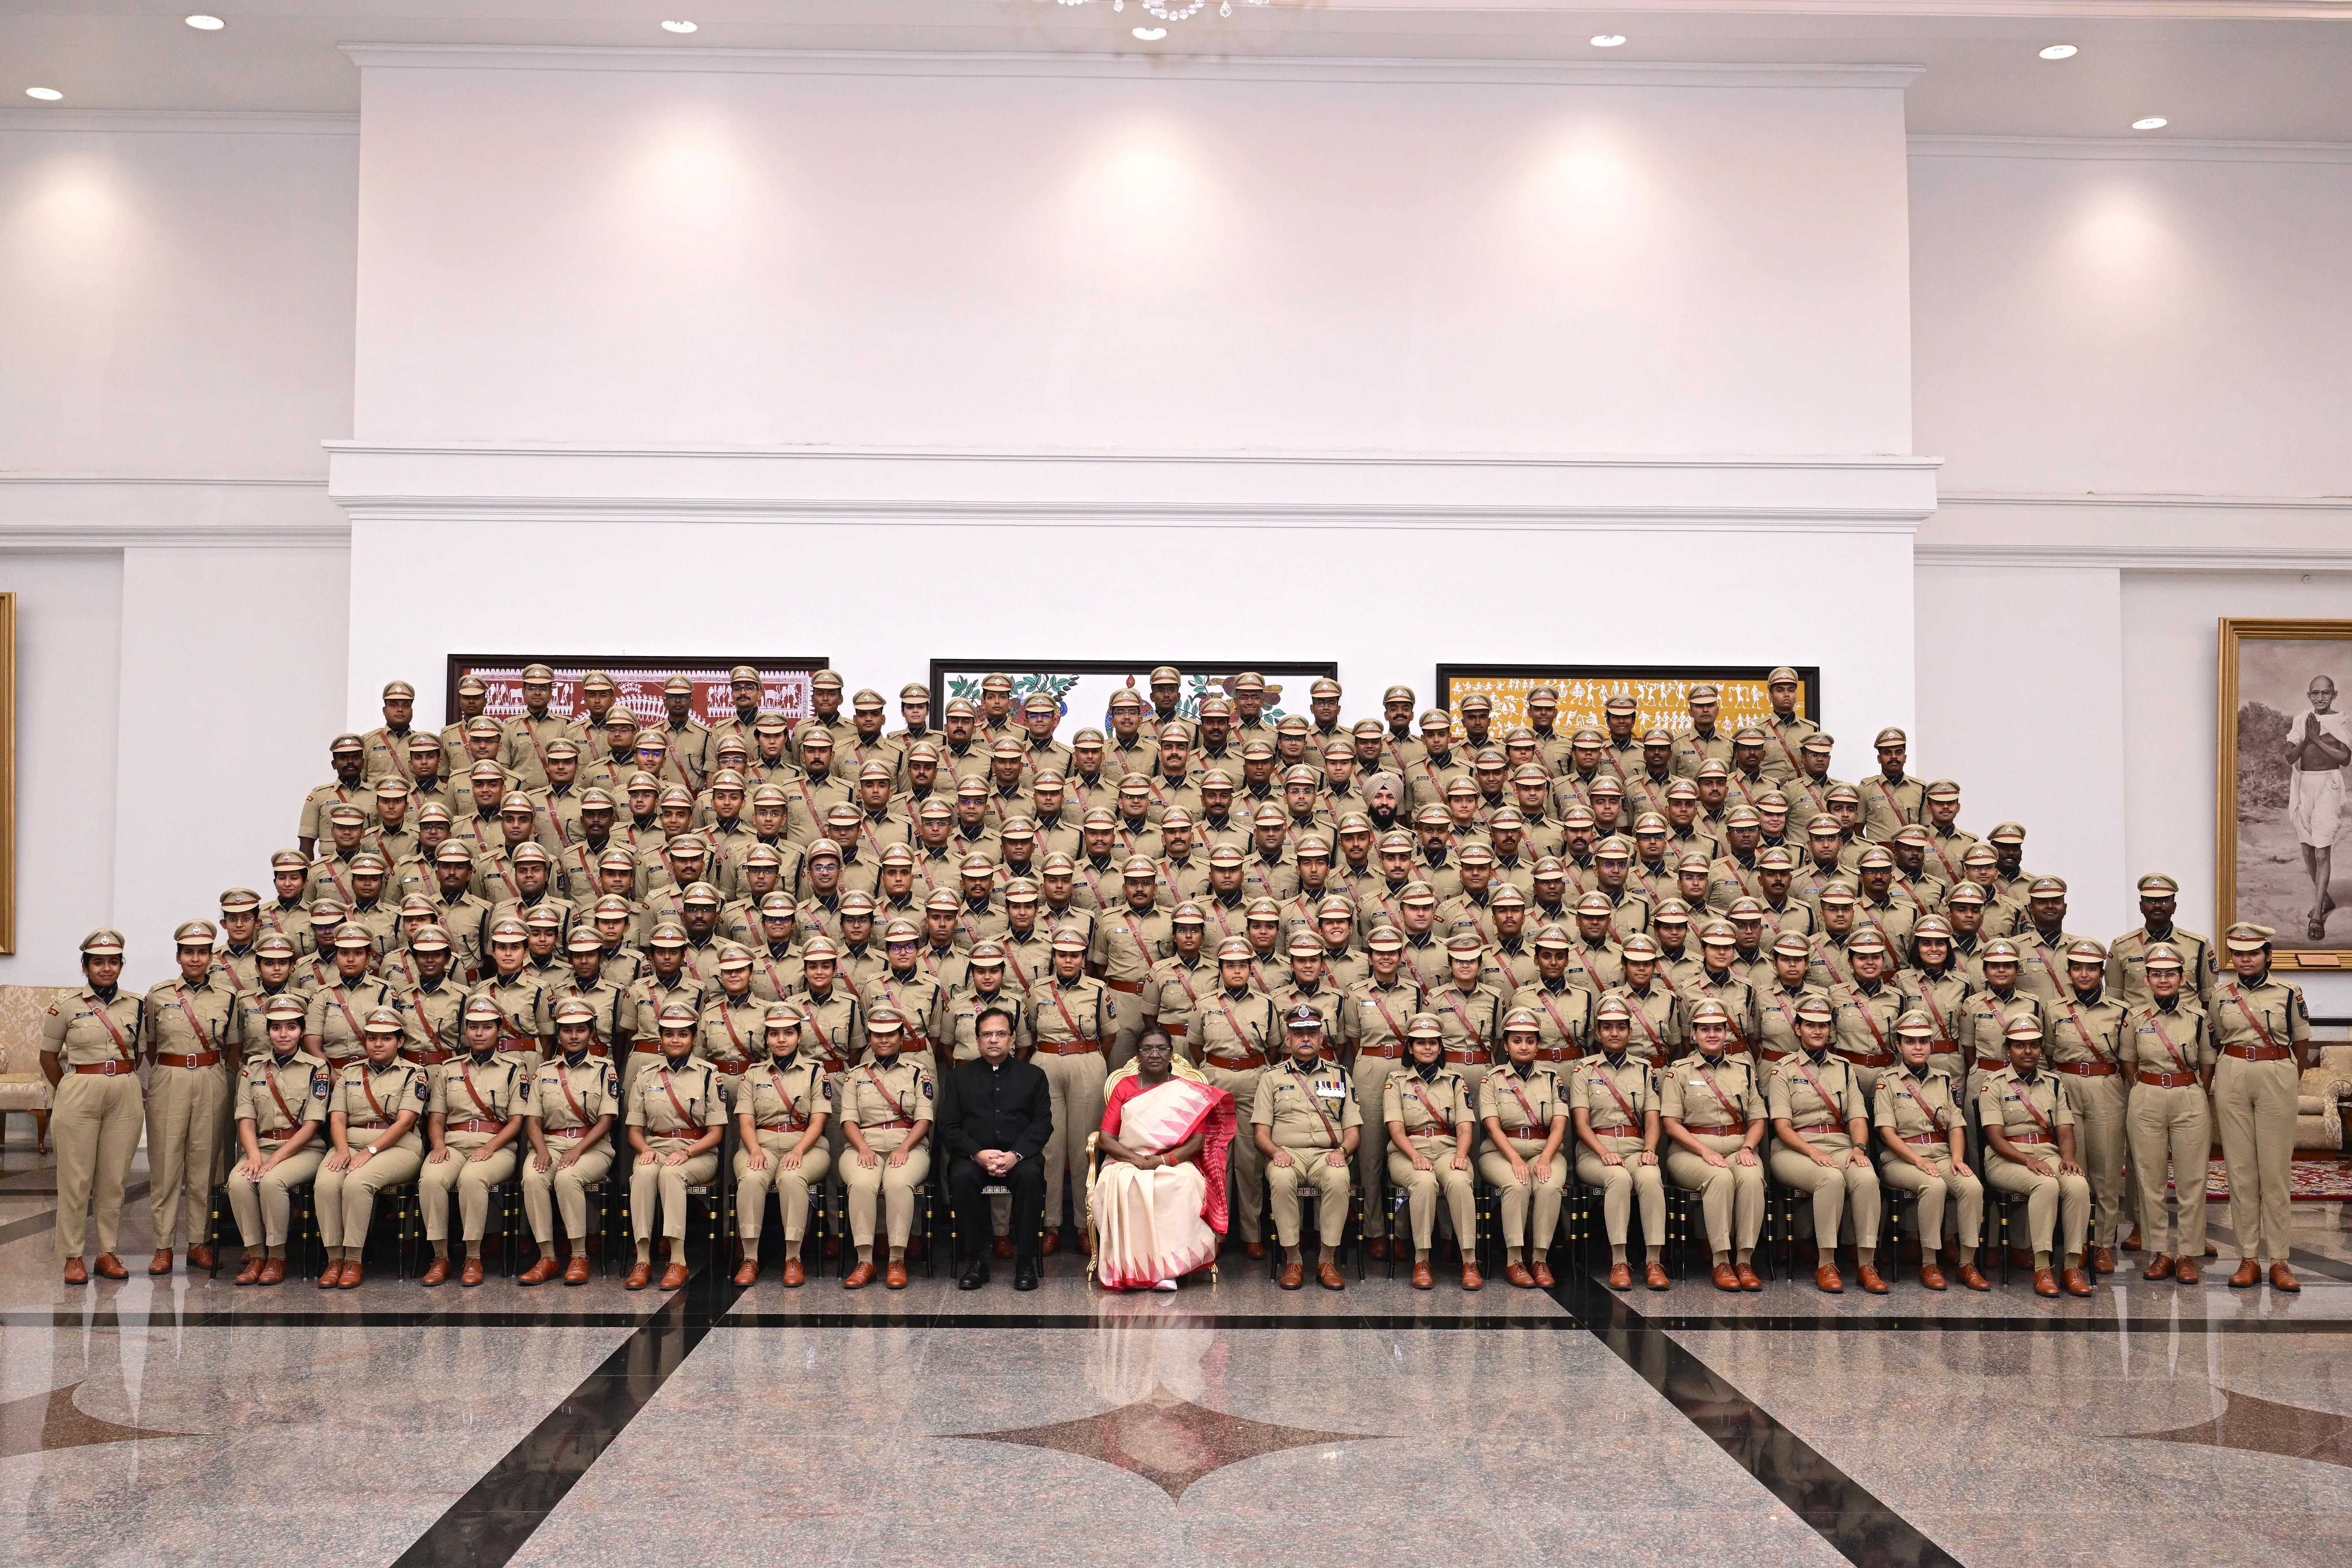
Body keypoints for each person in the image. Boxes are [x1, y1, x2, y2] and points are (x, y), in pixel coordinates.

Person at [1094, 1029, 1237, 1291]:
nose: (1155, 1054)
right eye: (1147, 1049)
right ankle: (1133, 1268)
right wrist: (1139, 1161)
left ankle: (1168, 1270)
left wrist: (1163, 1161)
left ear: (1171, 1053)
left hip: (1174, 1161)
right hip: (1127, 1160)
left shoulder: (1187, 1090)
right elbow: (1106, 1139)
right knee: (1123, 1183)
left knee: (1183, 1182)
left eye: (1161, 1048)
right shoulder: (1125, 1087)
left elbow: (1197, 1141)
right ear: (1138, 1055)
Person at [42, 930, 146, 1284]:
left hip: (124, 1093)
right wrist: (70, 1090)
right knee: (75, 1179)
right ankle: (73, 1256)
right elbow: (48, 1057)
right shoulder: (65, 1006)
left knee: (114, 1179)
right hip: (79, 1092)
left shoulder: (137, 1004)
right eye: (98, 962)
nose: (106, 968)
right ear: (85, 967)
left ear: (121, 965)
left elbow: (139, 1052)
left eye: (113, 962)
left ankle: (107, 1253)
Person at [2210, 922, 2311, 1290]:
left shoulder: (2289, 992)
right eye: (2238, 954)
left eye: (2253, 953)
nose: (2246, 960)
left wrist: (2287, 1078)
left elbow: (2301, 1042)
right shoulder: (2220, 995)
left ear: (2268, 955)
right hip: (2233, 1073)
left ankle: (2280, 1260)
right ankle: (2248, 1258)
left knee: (2275, 1173)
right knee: (2240, 1172)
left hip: (2276, 1074)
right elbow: (2216, 1039)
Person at [142, 919, 240, 1275]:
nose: (195, 959)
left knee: (205, 1165)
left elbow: (233, 1047)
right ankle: (163, 1246)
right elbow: (150, 1045)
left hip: (212, 1077)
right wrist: (173, 1068)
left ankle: (198, 1242)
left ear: (211, 956)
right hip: (170, 1078)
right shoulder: (158, 996)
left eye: (202, 952)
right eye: (188, 952)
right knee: (166, 1166)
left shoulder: (228, 997)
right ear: (178, 956)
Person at [1767, 994, 1883, 1294]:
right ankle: (1827, 1263)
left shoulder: (1844, 1068)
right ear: (1798, 1029)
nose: (1817, 1031)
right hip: (1795, 1149)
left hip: (1840, 1146)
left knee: (1867, 1178)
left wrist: (1859, 1148)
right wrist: (1813, 1152)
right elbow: (1782, 1127)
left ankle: (1867, 1264)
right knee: (1830, 1179)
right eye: (1810, 1025)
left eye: (1823, 1025)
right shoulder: (1783, 1069)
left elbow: (1857, 1118)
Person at [1978, 1016, 2093, 1297]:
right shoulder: (1993, 1084)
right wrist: (2027, 1160)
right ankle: (2043, 1268)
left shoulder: (2054, 1084)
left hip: (2047, 1154)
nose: (2028, 1051)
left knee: (2078, 1185)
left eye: (2034, 1045)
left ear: (2041, 1048)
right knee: (2046, 1185)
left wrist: (2068, 1157)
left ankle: (2071, 1266)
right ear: (2008, 1049)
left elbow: (2065, 1130)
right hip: (2006, 1159)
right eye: (2020, 1046)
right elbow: (1995, 1138)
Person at [941, 1004, 1054, 1291]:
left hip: (1019, 1157)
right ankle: (977, 1261)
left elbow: (1043, 1124)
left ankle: (1025, 1261)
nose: (994, 1040)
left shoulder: (1034, 1076)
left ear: (1012, 1039)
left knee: (1031, 1177)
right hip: (973, 1156)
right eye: (987, 1034)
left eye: (1001, 1034)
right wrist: (977, 1154)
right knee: (961, 1177)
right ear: (977, 1040)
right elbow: (949, 1127)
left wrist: (1015, 1155)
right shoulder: (959, 1077)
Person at [417, 996, 528, 1286]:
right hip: (453, 1145)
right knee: (431, 1179)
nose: (479, 1033)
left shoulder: (514, 1069)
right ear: (465, 1031)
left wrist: (490, 1147)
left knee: (472, 1179)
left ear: (499, 1031)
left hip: (497, 1146)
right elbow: (437, 1119)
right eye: (473, 1027)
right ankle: (441, 1256)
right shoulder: (450, 1068)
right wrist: (438, 1145)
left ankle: (473, 1257)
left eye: (487, 1027)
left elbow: (516, 1122)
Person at [313, 1008, 428, 1289]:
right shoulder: (350, 1072)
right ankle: (334, 1259)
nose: (378, 1044)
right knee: (326, 1183)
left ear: (400, 1042)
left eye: (387, 1038)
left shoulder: (414, 1073)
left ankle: (354, 1259)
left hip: (400, 1147)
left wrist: (371, 1151)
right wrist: (342, 1150)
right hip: (351, 1144)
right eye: (373, 1038)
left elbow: (405, 1122)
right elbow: (337, 1118)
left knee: (357, 1183)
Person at [1873, 1012, 1987, 1291]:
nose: (1918, 1047)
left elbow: (1956, 1125)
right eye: (1910, 1041)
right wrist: (1918, 1160)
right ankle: (1930, 1263)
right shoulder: (1887, 1081)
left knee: (1972, 1186)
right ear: (1899, 1046)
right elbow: (1887, 1134)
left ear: (1931, 1045)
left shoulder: (1945, 1080)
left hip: (1942, 1156)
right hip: (1901, 1159)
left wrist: (1957, 1158)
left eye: (1924, 1041)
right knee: (1934, 1186)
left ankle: (1967, 1263)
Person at [1660, 997, 1767, 1291]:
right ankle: (1721, 1261)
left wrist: (1747, 1148)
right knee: (1719, 1178)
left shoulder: (1744, 1069)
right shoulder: (1679, 1071)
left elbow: (1758, 1119)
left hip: (1736, 1148)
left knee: (1752, 1178)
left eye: (1718, 1029)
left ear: (1727, 1033)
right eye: (1705, 1029)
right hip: (1690, 1152)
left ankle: (1744, 1261)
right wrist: (1705, 1151)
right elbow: (1671, 1124)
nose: (1712, 1035)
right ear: (1693, 1034)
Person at [2120, 944, 2212, 1283]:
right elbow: (2128, 1061)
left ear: (2182, 979)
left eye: (2170, 974)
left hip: (2189, 1097)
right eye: (2156, 974)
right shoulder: (2134, 1018)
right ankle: (2160, 1252)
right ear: (2147, 979)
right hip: (2147, 1097)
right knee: (2150, 1179)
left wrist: (2193, 1090)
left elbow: (2208, 1063)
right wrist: (2146, 1087)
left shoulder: (2199, 1018)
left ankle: (2188, 1253)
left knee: (2192, 1180)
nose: (2163, 980)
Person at [225, 994, 329, 1286]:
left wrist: (273, 1161)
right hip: (262, 1147)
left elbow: (312, 1125)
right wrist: (254, 1157)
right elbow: (245, 1119)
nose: (284, 1034)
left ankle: (277, 1257)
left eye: (291, 1027)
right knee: (238, 1181)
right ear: (268, 1031)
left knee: (272, 1181)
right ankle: (256, 1255)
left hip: (304, 1149)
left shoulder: (316, 1068)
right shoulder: (252, 1068)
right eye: (276, 1027)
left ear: (302, 1031)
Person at [1254, 1006, 1360, 1290]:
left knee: (1339, 1178)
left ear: (1321, 1039)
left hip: (1328, 1155)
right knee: (1280, 1178)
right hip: (1289, 1154)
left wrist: (1342, 1152)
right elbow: (1261, 1134)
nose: (1305, 1039)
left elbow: (1353, 1131)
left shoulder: (1340, 1076)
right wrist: (1276, 1153)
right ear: (1287, 1040)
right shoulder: (1271, 1078)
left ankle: (1327, 1261)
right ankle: (1294, 1260)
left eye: (1312, 1033)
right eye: (1298, 1034)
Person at [517, 1000, 622, 1286]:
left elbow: (606, 1121)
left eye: (581, 1030)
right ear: (559, 1035)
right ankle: (547, 1257)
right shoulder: (545, 1071)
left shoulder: (605, 1070)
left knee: (567, 1178)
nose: (574, 1036)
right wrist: (541, 1150)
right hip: (550, 1145)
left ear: (591, 1033)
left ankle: (579, 1256)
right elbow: (533, 1121)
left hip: (592, 1148)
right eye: (567, 1031)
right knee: (533, 1178)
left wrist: (577, 1150)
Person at [624, 1002, 726, 1291]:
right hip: (655, 1149)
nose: (676, 1040)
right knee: (643, 1174)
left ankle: (677, 1260)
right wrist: (645, 1150)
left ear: (693, 1038)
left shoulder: (709, 1074)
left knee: (671, 1175)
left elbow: (716, 1133)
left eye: (683, 1034)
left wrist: (686, 1152)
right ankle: (643, 1259)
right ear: (661, 1038)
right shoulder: (646, 1075)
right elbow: (635, 1131)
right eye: (669, 1034)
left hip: (698, 1152)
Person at [1571, 996, 1669, 1290]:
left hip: (1634, 1149)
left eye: (1621, 1027)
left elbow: (1652, 1120)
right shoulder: (1584, 1070)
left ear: (1630, 1031)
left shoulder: (1644, 1070)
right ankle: (1619, 1261)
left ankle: (1654, 1261)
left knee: (1650, 1177)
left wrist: (1650, 1150)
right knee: (1618, 1178)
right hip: (1595, 1152)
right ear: (1598, 1033)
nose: (1614, 1033)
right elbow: (1581, 1124)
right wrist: (1603, 1152)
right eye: (1607, 1027)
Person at [731, 1003, 833, 1288]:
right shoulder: (754, 1074)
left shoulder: (815, 1072)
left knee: (791, 1177)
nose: (781, 1040)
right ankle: (750, 1257)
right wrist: (754, 1150)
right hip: (760, 1145)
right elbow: (746, 1122)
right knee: (751, 1178)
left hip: (806, 1146)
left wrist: (799, 1150)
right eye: (774, 1034)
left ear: (799, 1037)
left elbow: (819, 1121)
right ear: (766, 1039)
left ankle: (793, 1257)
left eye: (788, 1033)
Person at [1382, 1014, 1481, 1290]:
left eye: (1433, 1043)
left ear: (1440, 1047)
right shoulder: (1396, 1081)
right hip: (1407, 1153)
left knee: (1459, 1181)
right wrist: (1415, 1156)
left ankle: (1469, 1261)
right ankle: (1422, 1260)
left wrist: (1461, 1155)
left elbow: (1465, 1128)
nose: (1427, 1048)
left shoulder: (1455, 1081)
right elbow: (1396, 1129)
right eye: (1420, 1043)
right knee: (1424, 1182)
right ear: (1410, 1048)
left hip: (1448, 1150)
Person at [837, 1008, 935, 1289]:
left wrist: (904, 1147)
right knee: (862, 1183)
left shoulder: (918, 1073)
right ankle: (864, 1261)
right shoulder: (855, 1075)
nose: (884, 1040)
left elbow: (924, 1119)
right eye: (878, 1035)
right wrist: (862, 1148)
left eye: (891, 1035)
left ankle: (896, 1260)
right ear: (869, 1038)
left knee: (897, 1183)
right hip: (863, 1145)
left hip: (908, 1145)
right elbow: (848, 1120)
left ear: (901, 1038)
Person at [1477, 1010, 1569, 1287]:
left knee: (1549, 1186)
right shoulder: (1492, 1079)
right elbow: (1492, 1127)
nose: (1524, 1047)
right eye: (1517, 1041)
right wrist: (1515, 1159)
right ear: (1506, 1046)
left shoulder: (1553, 1078)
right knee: (1516, 1185)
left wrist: (1546, 1158)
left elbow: (1559, 1126)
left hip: (1545, 1149)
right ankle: (1514, 1260)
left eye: (1530, 1041)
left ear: (1538, 1045)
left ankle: (1540, 1259)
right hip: (1500, 1153)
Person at [2287, 674, 2350, 940]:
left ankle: (2317, 916)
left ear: (2334, 695)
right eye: (2315, 693)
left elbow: (2345, 759)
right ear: (2309, 696)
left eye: (2326, 693)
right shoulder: (2302, 720)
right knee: (2307, 849)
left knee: (2322, 851)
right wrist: (2307, 739)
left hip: (2328, 786)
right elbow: (2290, 755)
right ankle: (2325, 899)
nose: (2320, 698)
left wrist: (2317, 740)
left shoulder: (2342, 720)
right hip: (2303, 786)